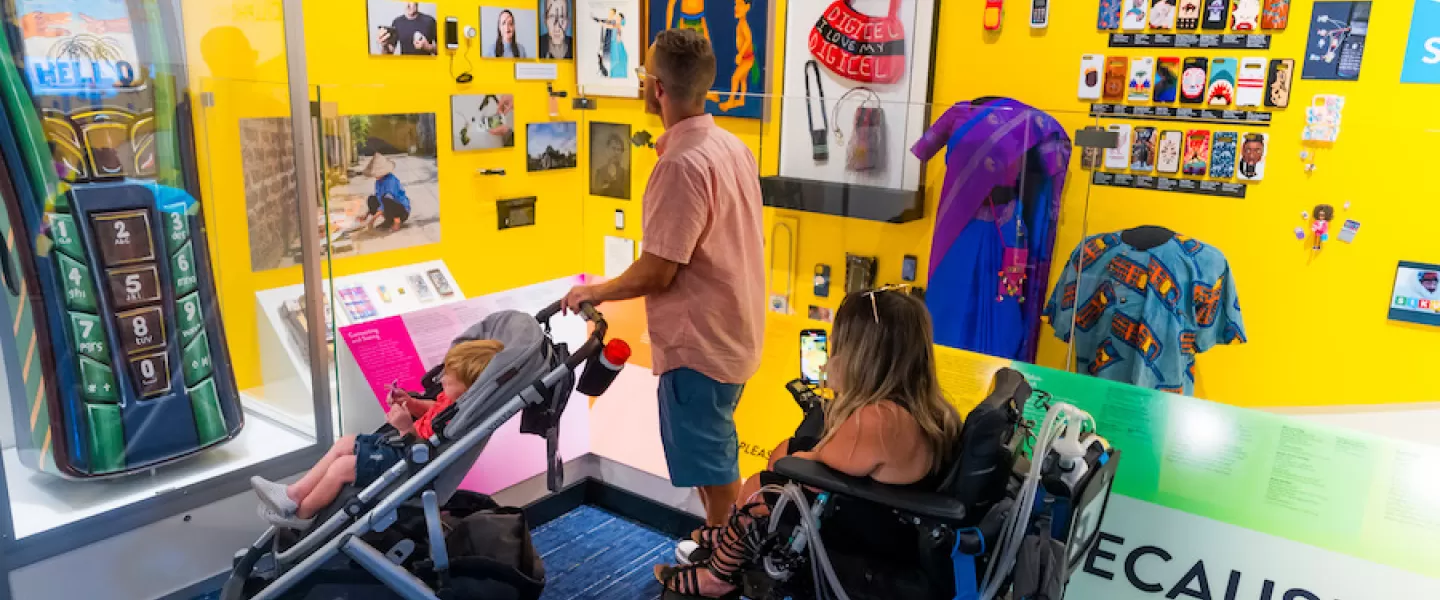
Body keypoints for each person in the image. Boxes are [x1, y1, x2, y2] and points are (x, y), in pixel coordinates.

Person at [562, 29, 765, 534]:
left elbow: (658, 269)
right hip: (734, 334)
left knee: (713, 466)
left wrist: (595, 290)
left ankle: (723, 558)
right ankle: (720, 542)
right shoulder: (732, 147)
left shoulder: (680, 164)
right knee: (708, 454)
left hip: (700, 345)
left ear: (656, 89)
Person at [653, 289, 964, 597]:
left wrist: (839, 390)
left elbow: (804, 466)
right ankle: (734, 535)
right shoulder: (927, 408)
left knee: (764, 484)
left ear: (858, 353)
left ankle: (719, 577)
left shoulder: (879, 419)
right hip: (892, 520)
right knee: (789, 453)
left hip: (874, 534)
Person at [251, 340, 506, 529]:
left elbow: (428, 452)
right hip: (403, 449)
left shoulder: (460, 416)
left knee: (343, 467)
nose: (442, 381)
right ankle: (292, 495)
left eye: (449, 380)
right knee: (345, 442)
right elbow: (434, 409)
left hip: (411, 461)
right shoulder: (455, 401)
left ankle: (302, 516)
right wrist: (411, 403)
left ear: (470, 386)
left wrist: (405, 426)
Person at [359, 153, 411, 232]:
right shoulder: (378, 182)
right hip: (387, 207)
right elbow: (378, 199)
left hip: (401, 211)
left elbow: (385, 203)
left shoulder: (391, 181)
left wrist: (372, 220)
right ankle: (389, 220)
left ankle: (397, 221)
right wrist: (366, 215)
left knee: (386, 199)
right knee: (372, 199)